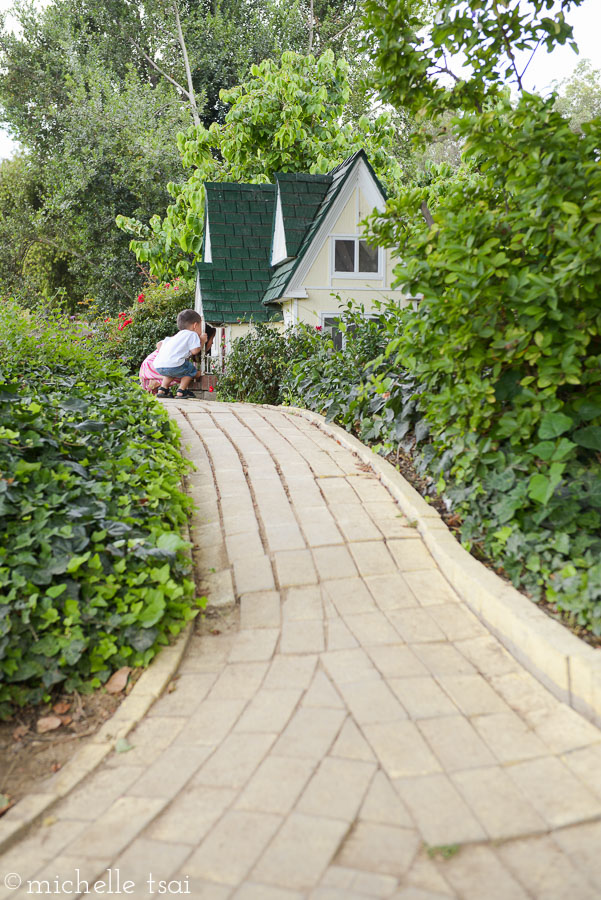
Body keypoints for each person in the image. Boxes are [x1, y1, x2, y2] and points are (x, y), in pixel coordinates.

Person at [154, 311, 216, 399]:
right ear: (195, 325)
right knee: (191, 370)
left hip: (159, 365)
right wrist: (202, 340)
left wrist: (168, 353)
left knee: (170, 372)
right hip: (173, 364)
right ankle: (181, 391)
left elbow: (159, 344)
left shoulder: (176, 336)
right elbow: (195, 351)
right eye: (200, 326)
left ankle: (163, 389)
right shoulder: (192, 334)